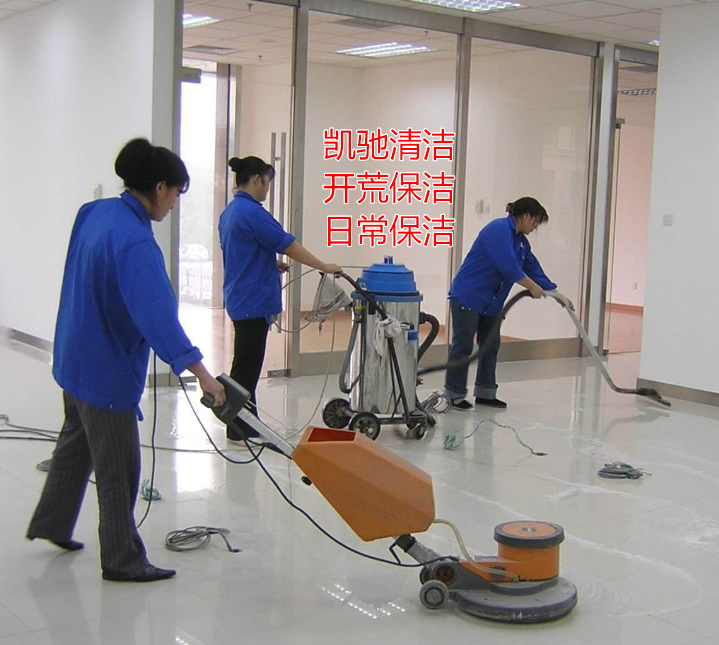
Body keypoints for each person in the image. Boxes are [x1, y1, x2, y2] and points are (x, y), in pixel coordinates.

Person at [26, 138, 226, 582]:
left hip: (74, 356)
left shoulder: (94, 212)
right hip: (105, 372)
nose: (174, 203)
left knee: (75, 446)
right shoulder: (135, 241)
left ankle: (52, 523)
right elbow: (157, 317)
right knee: (119, 469)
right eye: (176, 194)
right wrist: (202, 374)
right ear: (159, 188)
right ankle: (122, 559)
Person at [219, 155, 342, 442]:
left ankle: (246, 423)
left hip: (239, 297)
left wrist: (268, 262)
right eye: (267, 182)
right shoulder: (253, 213)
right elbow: (287, 244)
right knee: (246, 368)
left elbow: (241, 251)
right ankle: (239, 428)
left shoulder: (231, 212)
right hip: (252, 302)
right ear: (257, 179)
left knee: (245, 365)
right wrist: (323, 266)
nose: (267, 188)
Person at [444, 197, 572, 411]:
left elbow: (532, 267)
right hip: (469, 296)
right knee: (463, 346)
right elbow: (508, 266)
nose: (535, 228)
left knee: (490, 346)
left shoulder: (521, 242)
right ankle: (454, 395)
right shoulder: (498, 230)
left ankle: (485, 393)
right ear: (526, 216)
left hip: (492, 303)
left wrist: (555, 293)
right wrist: (531, 287)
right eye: (535, 222)